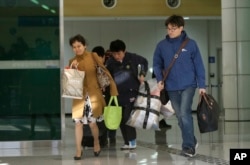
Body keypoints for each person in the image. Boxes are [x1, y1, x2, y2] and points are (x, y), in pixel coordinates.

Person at [152, 15, 206, 157]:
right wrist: (159, 79)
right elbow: (157, 64)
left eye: (173, 29)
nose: (170, 31)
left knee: (184, 113)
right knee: (181, 117)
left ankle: (188, 147)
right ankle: (192, 140)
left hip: (189, 85)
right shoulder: (161, 46)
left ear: (181, 28)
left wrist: (202, 85)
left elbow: (199, 66)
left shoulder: (191, 44)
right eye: (168, 29)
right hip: (171, 86)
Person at [68, 34, 118, 160]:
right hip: (79, 96)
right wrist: (73, 69)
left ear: (85, 45)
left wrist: (112, 87)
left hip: (93, 94)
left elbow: (103, 71)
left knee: (92, 124)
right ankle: (78, 150)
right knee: (78, 124)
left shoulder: (93, 56)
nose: (77, 49)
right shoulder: (72, 61)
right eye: (74, 47)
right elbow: (71, 85)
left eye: (79, 46)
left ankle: (96, 142)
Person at [106, 39, 148, 150]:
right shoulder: (110, 63)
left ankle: (132, 141)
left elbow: (144, 62)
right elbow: (106, 76)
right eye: (114, 54)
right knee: (120, 119)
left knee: (127, 117)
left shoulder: (132, 57)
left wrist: (142, 74)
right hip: (118, 95)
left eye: (119, 53)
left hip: (132, 93)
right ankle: (127, 142)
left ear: (124, 51)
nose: (116, 56)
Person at [92, 46, 117, 146]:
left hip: (108, 96)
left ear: (103, 57)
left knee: (109, 116)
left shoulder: (109, 66)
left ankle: (111, 137)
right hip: (99, 96)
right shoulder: (93, 67)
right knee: (100, 118)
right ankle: (103, 138)